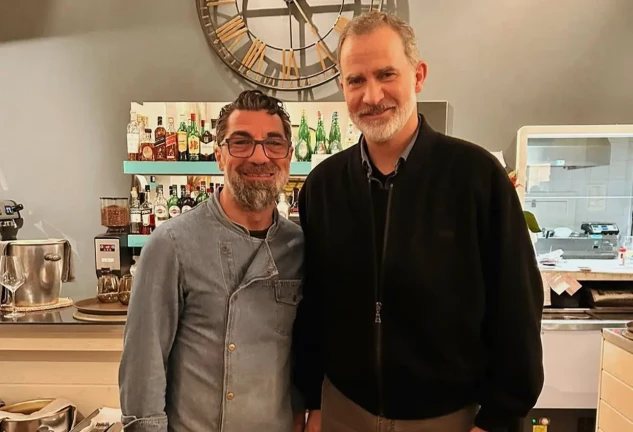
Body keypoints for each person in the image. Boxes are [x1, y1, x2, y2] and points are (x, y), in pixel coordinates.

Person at [293, 11, 544, 432]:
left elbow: (516, 306)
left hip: (449, 417)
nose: (372, 96)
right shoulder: (323, 186)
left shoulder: (477, 177)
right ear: (342, 87)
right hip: (343, 410)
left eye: (386, 74)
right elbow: (314, 306)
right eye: (356, 80)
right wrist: (312, 401)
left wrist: (502, 416)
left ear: (419, 75)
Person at [119, 90, 306, 432]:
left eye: (273, 143)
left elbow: (299, 357)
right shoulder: (172, 243)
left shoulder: (297, 245)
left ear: (289, 156)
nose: (260, 157)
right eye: (241, 143)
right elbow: (143, 367)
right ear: (219, 156)